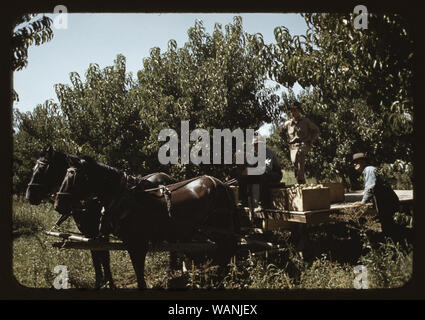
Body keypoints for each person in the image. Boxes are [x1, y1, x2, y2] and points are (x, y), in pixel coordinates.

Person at [352, 152, 400, 239]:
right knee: (388, 225)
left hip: (388, 202)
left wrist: (363, 202)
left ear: (363, 162)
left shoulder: (369, 170)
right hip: (386, 202)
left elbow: (370, 187)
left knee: (389, 227)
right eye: (354, 162)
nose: (355, 164)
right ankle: (392, 244)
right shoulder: (368, 171)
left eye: (357, 161)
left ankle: (394, 245)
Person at [237, 135, 283, 207]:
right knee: (243, 178)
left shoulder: (269, 153)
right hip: (261, 173)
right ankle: (243, 201)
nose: (253, 147)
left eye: (255, 145)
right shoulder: (255, 153)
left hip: (274, 174)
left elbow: (267, 169)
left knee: (264, 177)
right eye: (253, 145)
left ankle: (262, 203)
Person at [281, 101, 320, 184]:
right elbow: (281, 133)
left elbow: (316, 130)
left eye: (295, 110)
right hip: (293, 147)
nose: (293, 112)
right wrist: (287, 141)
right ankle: (301, 183)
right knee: (295, 165)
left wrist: (310, 139)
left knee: (300, 153)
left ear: (299, 111)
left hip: (304, 144)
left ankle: (301, 179)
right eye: (291, 111)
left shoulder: (306, 121)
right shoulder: (288, 123)